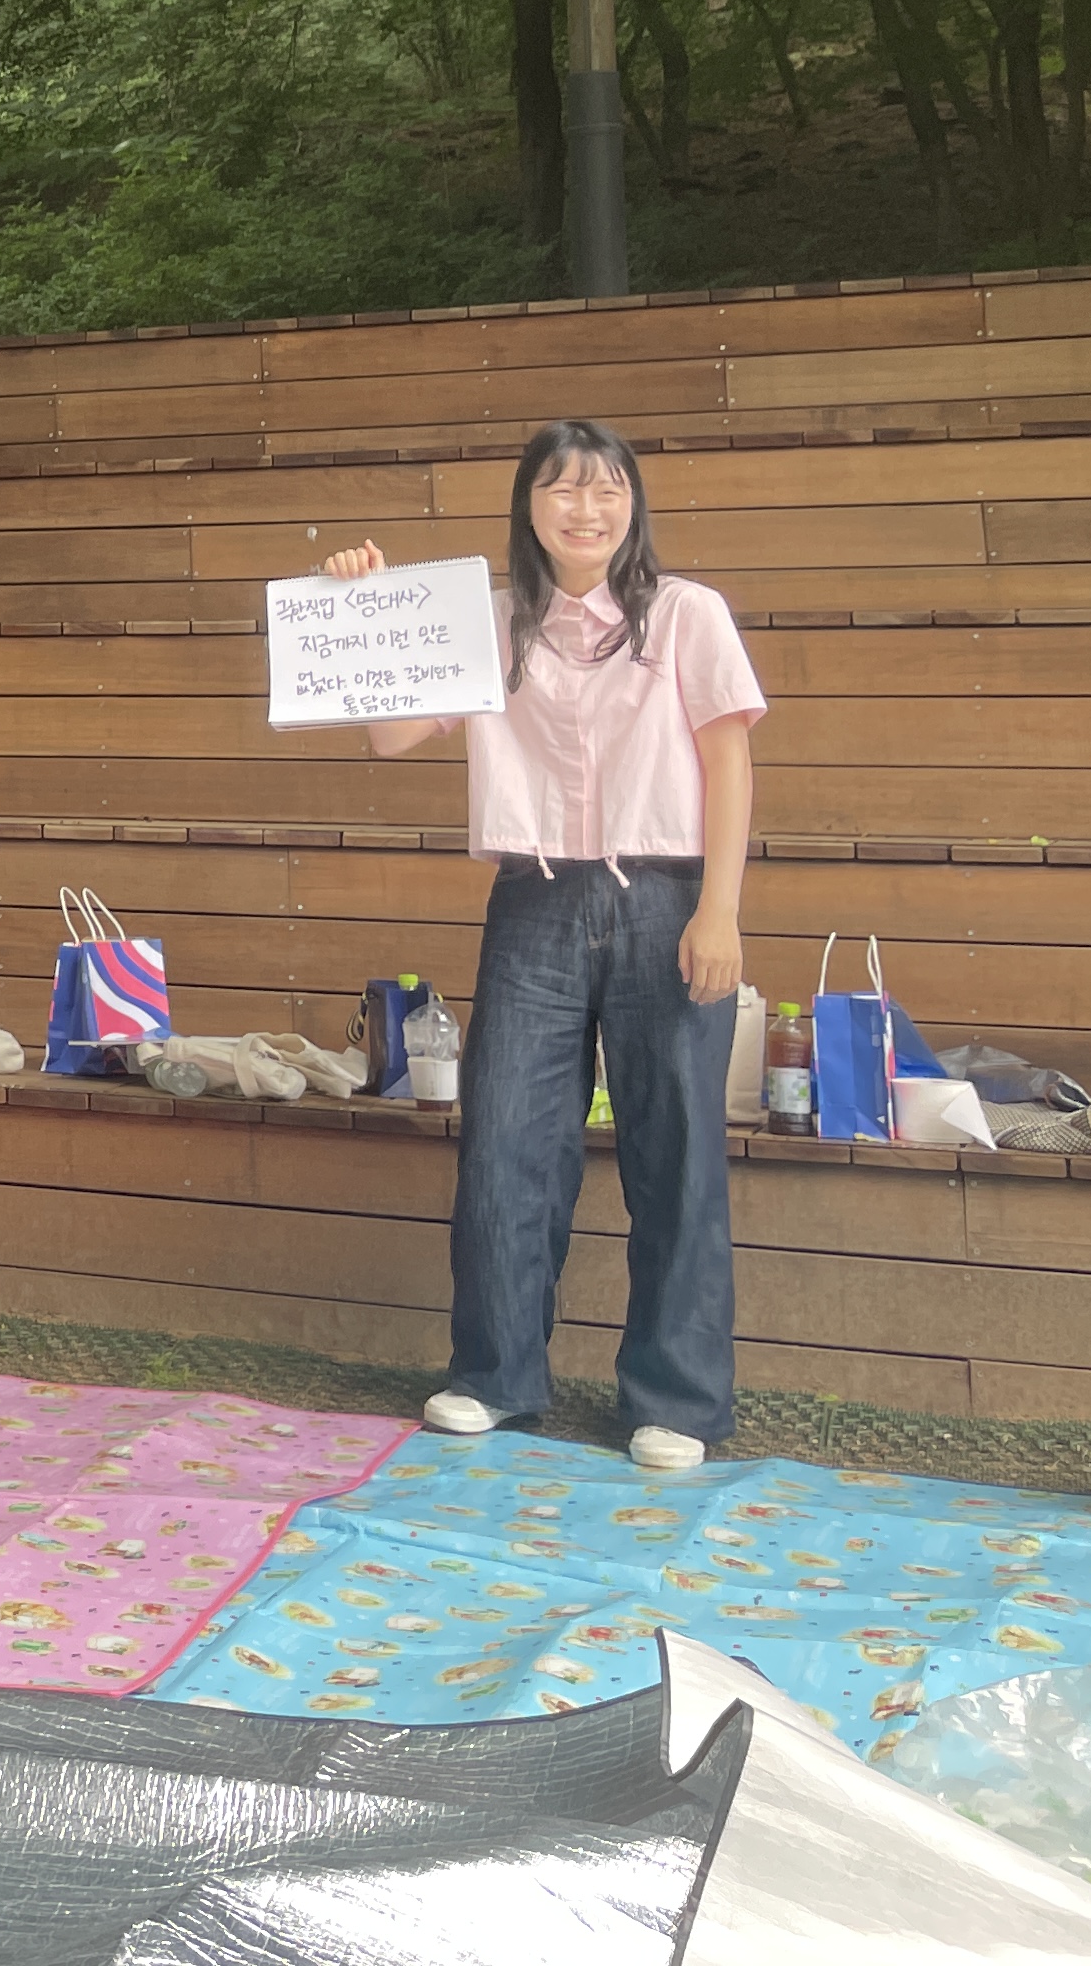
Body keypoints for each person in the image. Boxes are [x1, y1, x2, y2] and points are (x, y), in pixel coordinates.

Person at [324, 417, 763, 1472]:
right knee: (508, 1143)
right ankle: (495, 1376)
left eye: (608, 488)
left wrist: (721, 911)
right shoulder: (487, 622)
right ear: (528, 505)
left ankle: (677, 1401)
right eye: (562, 488)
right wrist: (362, 611)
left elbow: (730, 763)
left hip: (667, 897)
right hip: (533, 903)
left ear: (633, 504)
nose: (586, 508)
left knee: (677, 1151)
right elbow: (392, 733)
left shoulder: (688, 614)